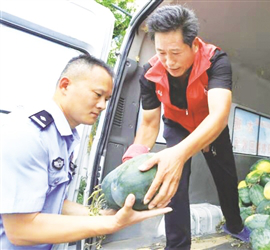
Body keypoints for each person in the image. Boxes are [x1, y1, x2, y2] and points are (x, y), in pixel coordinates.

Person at [0, 54, 172, 250]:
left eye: (107, 99)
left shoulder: (63, 136)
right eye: (97, 95)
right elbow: (20, 230)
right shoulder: (28, 135)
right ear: (65, 85)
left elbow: (51, 202)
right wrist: (108, 224)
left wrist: (98, 215)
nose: (102, 106)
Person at [122, 5, 250, 249]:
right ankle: (178, 246)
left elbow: (219, 116)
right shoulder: (149, 74)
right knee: (174, 185)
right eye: (161, 53)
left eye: (175, 52)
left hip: (211, 123)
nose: (168, 62)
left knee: (226, 178)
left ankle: (234, 225)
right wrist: (134, 159)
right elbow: (149, 124)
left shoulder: (216, 60)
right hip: (177, 126)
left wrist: (179, 155)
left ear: (194, 45)